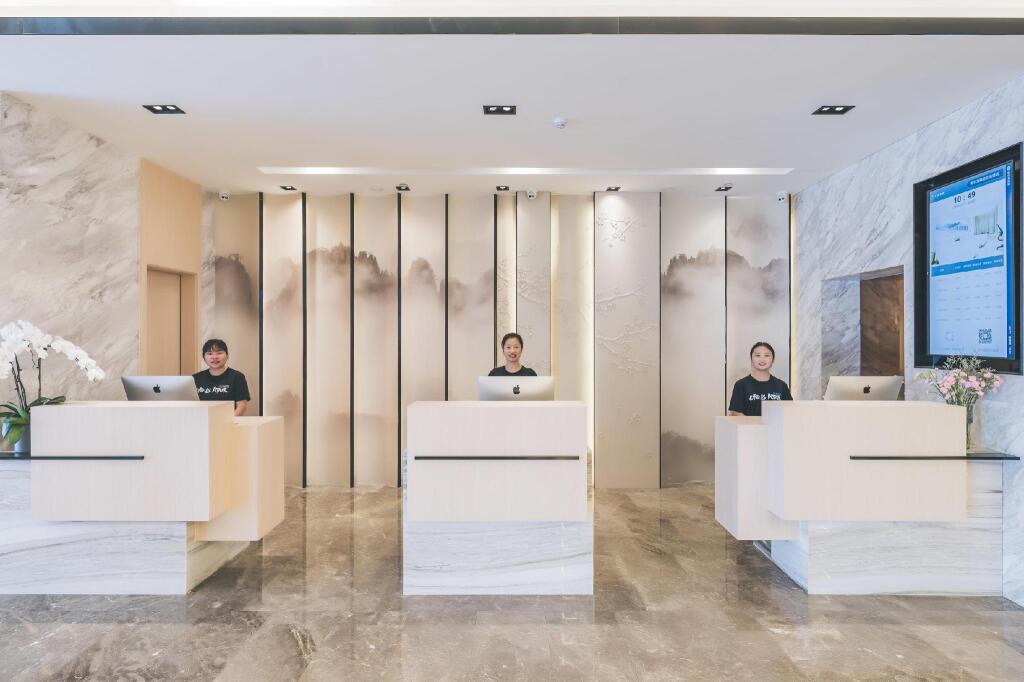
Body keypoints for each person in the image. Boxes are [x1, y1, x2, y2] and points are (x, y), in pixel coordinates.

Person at [728, 341, 792, 417]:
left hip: (775, 425)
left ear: (773, 360)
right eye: (757, 355)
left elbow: (790, 411)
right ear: (751, 359)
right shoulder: (741, 385)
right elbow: (735, 412)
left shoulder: (781, 385)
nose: (762, 359)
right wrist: (754, 424)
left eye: (767, 355)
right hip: (748, 425)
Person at [192, 339, 251, 416]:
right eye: (209, 353)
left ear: (227, 356)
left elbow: (241, 406)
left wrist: (226, 420)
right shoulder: (196, 378)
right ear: (204, 357)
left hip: (228, 421)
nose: (214, 357)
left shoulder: (237, 377)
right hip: (201, 420)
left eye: (219, 353)